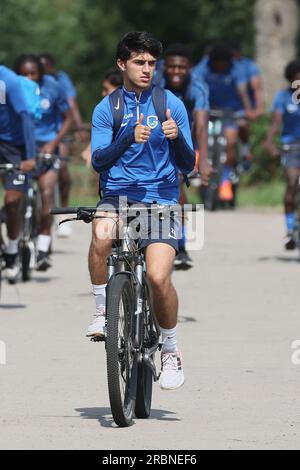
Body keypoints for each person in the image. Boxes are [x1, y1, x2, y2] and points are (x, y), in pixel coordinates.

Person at [87, 31, 196, 390]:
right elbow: (98, 161)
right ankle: (104, 313)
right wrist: (125, 138)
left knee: (158, 277)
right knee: (102, 234)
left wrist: (176, 137)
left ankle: (169, 348)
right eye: (139, 62)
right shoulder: (108, 108)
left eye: (152, 63)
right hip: (118, 195)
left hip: (162, 199)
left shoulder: (170, 104)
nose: (147, 69)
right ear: (122, 64)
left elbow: (189, 163)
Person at [154, 43, 212, 266]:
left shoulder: (198, 86)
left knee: (178, 190)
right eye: (172, 67)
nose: (176, 71)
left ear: (190, 68)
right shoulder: (155, 80)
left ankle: (181, 244)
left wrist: (203, 160)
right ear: (164, 67)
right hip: (155, 138)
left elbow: (201, 125)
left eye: (182, 67)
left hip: (183, 141)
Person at [15, 54, 72, 270]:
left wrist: (54, 142)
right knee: (17, 195)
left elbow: (68, 118)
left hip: (48, 145)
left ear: (41, 74)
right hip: (23, 147)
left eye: (33, 74)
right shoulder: (11, 88)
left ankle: (43, 248)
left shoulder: (53, 87)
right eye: (24, 74)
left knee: (47, 192)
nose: (29, 78)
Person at [193, 45, 254, 202]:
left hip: (230, 111)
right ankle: (194, 162)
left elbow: (242, 90)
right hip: (208, 110)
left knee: (231, 140)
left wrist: (248, 110)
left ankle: (228, 174)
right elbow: (194, 86)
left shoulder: (236, 69)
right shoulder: (203, 68)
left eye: (224, 63)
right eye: (217, 63)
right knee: (196, 130)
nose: (221, 66)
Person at [39, 53, 86, 237]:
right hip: (37, 137)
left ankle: (64, 211)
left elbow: (70, 103)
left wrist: (79, 126)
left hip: (60, 131)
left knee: (63, 168)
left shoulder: (60, 80)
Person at [0, 65, 36, 281]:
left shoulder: (8, 80)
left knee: (12, 201)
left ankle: (12, 252)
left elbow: (26, 118)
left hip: (15, 147)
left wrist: (29, 156)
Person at [264, 60, 300, 250]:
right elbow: (276, 122)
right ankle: (290, 230)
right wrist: (270, 142)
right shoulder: (283, 97)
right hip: (291, 146)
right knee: (292, 182)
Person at [81, 69, 123, 166]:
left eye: (106, 89)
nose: (103, 94)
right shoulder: (105, 110)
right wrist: (89, 150)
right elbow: (103, 133)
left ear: (118, 88)